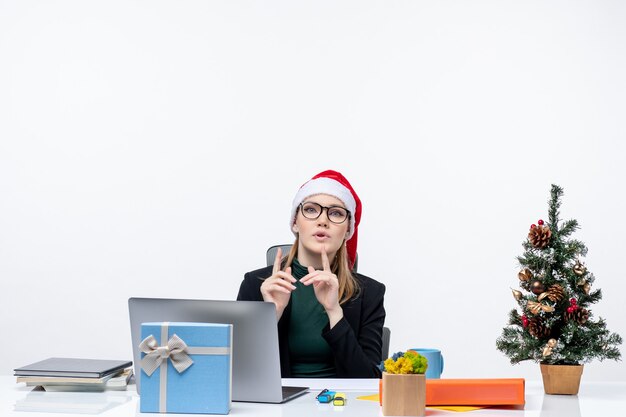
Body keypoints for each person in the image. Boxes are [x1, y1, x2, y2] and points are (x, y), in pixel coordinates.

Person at [237, 170, 386, 378]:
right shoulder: (255, 285)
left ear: (348, 231)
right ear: (295, 222)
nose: (323, 220)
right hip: (277, 406)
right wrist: (270, 315)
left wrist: (334, 312)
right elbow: (239, 375)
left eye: (335, 213)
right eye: (311, 209)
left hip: (340, 406)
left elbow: (369, 380)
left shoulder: (370, 293)